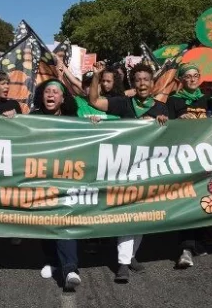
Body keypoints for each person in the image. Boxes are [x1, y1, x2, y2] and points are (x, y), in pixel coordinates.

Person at [88, 61, 167, 283]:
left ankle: (131, 256)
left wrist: (165, 124)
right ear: (133, 83)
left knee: (141, 216)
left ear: (152, 84)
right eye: (138, 79)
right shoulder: (123, 103)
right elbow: (94, 101)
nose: (142, 83)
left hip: (148, 169)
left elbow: (171, 139)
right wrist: (96, 76)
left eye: (146, 80)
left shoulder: (161, 108)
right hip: (123, 167)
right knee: (127, 215)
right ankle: (122, 263)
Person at [32, 80, 82, 290]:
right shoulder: (31, 118)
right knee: (46, 222)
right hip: (38, 179)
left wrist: (96, 123)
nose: (50, 95)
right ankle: (53, 261)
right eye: (47, 91)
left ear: (63, 98)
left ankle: (70, 268)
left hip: (66, 179)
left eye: (55, 92)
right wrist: (11, 120)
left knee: (64, 221)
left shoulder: (73, 120)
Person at [169, 64, 212, 268]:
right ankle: (185, 249)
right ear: (181, 80)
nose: (192, 79)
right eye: (187, 77)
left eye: (195, 76)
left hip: (203, 157)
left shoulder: (205, 99)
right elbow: (165, 128)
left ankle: (196, 242)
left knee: (201, 200)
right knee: (187, 202)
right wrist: (178, 120)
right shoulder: (174, 100)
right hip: (183, 158)